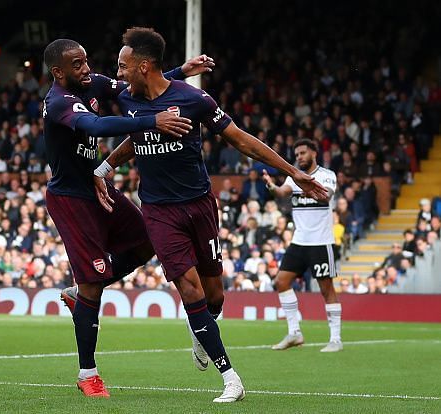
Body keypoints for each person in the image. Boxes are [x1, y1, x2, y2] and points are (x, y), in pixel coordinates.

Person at [93, 27, 327, 403]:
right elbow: (134, 140)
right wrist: (102, 171)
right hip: (157, 210)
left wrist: (293, 171)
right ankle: (230, 377)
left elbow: (240, 138)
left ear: (144, 66)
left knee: (213, 297)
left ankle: (201, 327)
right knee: (189, 289)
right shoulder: (127, 98)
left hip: (200, 206)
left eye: (122, 66)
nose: (117, 73)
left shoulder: (193, 100)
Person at [42, 38, 214, 398]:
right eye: (77, 64)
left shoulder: (92, 83)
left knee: (148, 238)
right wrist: (154, 119)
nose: (86, 68)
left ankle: (86, 291)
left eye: (86, 60)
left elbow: (138, 80)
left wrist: (180, 72)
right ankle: (87, 373)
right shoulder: (58, 103)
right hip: (71, 199)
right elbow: (97, 127)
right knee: (92, 280)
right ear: (58, 72)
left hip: (97, 188)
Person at [262, 138, 343, 352]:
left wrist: (306, 190)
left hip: (321, 242)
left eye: (303, 153)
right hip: (299, 241)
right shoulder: (293, 177)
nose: (299, 157)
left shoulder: (327, 175)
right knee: (281, 282)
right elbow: (281, 193)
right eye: (297, 154)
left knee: (326, 289)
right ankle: (294, 333)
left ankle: (335, 339)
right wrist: (271, 186)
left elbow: (326, 196)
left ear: (314, 153)